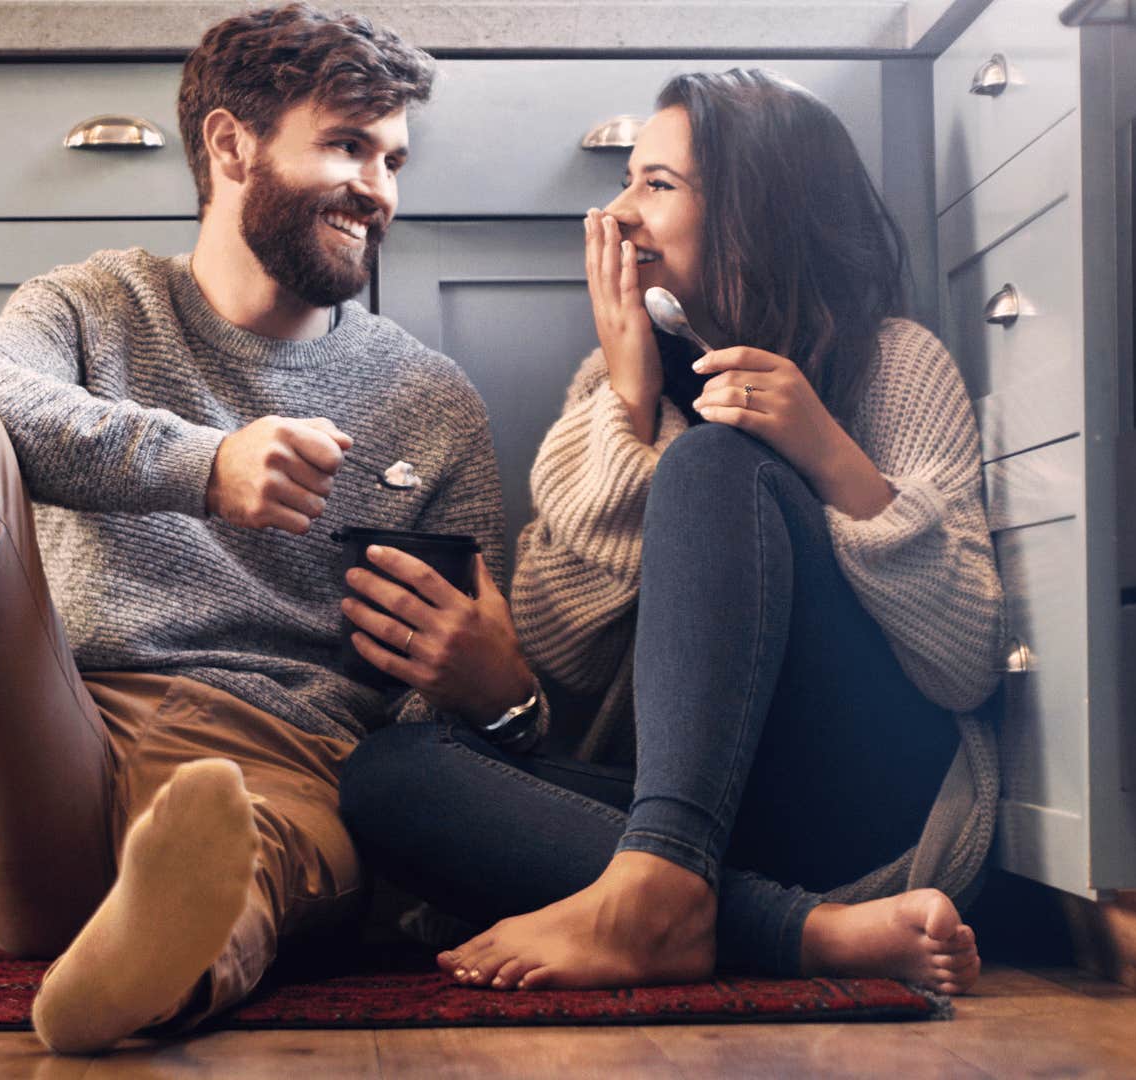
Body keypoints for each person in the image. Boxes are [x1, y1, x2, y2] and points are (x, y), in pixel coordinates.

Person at [0, 4, 541, 1054]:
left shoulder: (429, 400)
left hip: (285, 765)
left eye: (394, 158)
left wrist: (503, 699)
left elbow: (432, 734)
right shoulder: (96, 307)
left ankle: (148, 974)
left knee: (245, 842)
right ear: (232, 144)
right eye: (349, 146)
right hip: (60, 746)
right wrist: (203, 465)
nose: (380, 190)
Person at [337, 68, 1005, 996]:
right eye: (626, 181)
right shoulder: (617, 386)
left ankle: (667, 890)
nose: (618, 215)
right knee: (390, 777)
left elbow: (965, 663)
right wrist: (627, 403)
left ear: (754, 212)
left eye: (657, 185)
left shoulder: (893, 361)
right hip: (705, 825)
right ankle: (797, 930)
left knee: (716, 462)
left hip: (869, 803)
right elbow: (561, 652)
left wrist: (828, 455)